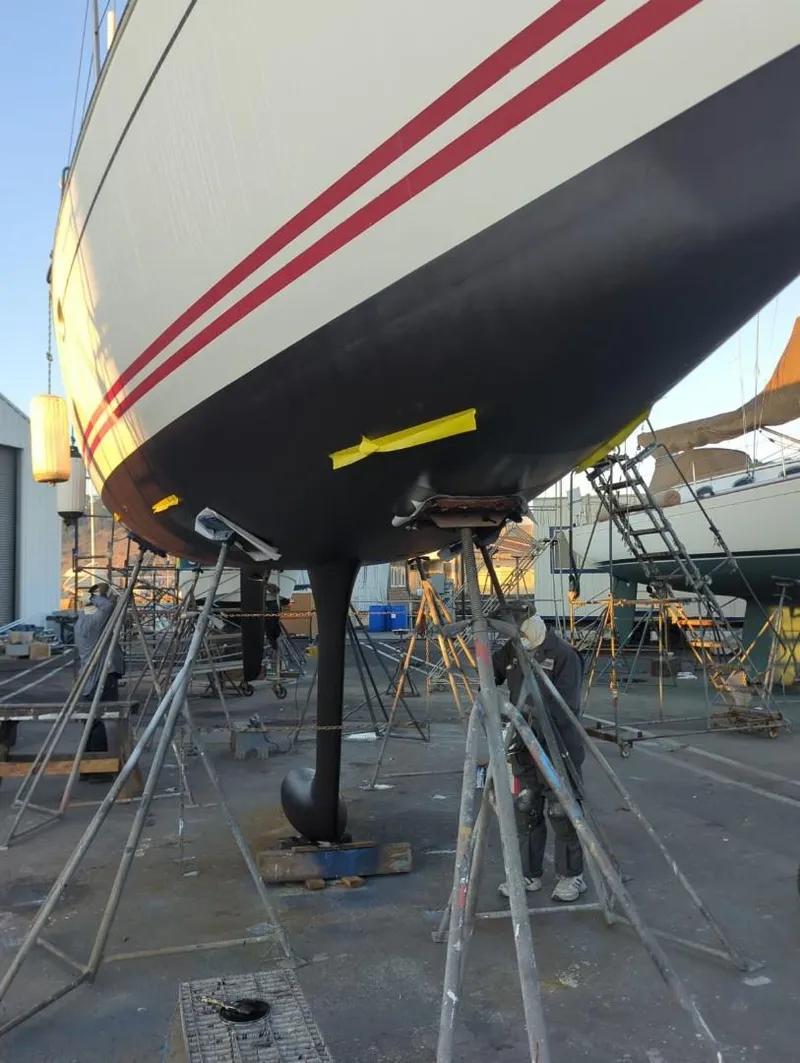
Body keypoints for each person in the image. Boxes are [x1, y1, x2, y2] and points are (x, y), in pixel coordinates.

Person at [493, 613, 586, 903]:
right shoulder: (513, 648)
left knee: (561, 811)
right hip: (523, 745)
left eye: (518, 632)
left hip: (557, 744)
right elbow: (490, 671)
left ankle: (572, 876)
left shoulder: (563, 655)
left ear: (533, 624)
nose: (516, 639)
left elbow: (565, 707)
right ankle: (528, 873)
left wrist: (520, 712)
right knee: (526, 806)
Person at [74, 583, 125, 760]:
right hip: (101, 677)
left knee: (93, 720)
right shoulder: (93, 624)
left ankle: (90, 762)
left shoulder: (82, 622)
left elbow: (107, 609)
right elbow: (107, 607)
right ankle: (99, 763)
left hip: (91, 678)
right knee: (104, 718)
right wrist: (98, 596)